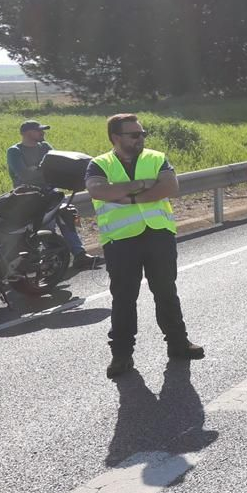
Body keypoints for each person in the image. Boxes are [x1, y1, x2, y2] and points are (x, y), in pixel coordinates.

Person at [86, 114, 203, 378]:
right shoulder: (99, 164)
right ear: (116, 137)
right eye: (135, 134)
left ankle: (178, 343)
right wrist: (141, 184)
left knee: (166, 292)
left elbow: (170, 186)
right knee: (124, 298)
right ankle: (121, 355)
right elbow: (99, 191)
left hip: (158, 235)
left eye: (142, 134)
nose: (141, 138)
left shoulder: (156, 157)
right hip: (120, 240)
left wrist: (128, 197)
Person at [5, 119, 96, 268]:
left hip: (50, 191)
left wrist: (38, 169)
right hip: (29, 196)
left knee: (67, 214)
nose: (43, 133)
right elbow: (25, 175)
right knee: (47, 224)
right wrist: (43, 171)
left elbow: (58, 166)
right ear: (27, 133)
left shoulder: (44, 146)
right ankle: (52, 260)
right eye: (39, 130)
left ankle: (80, 255)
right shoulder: (15, 151)